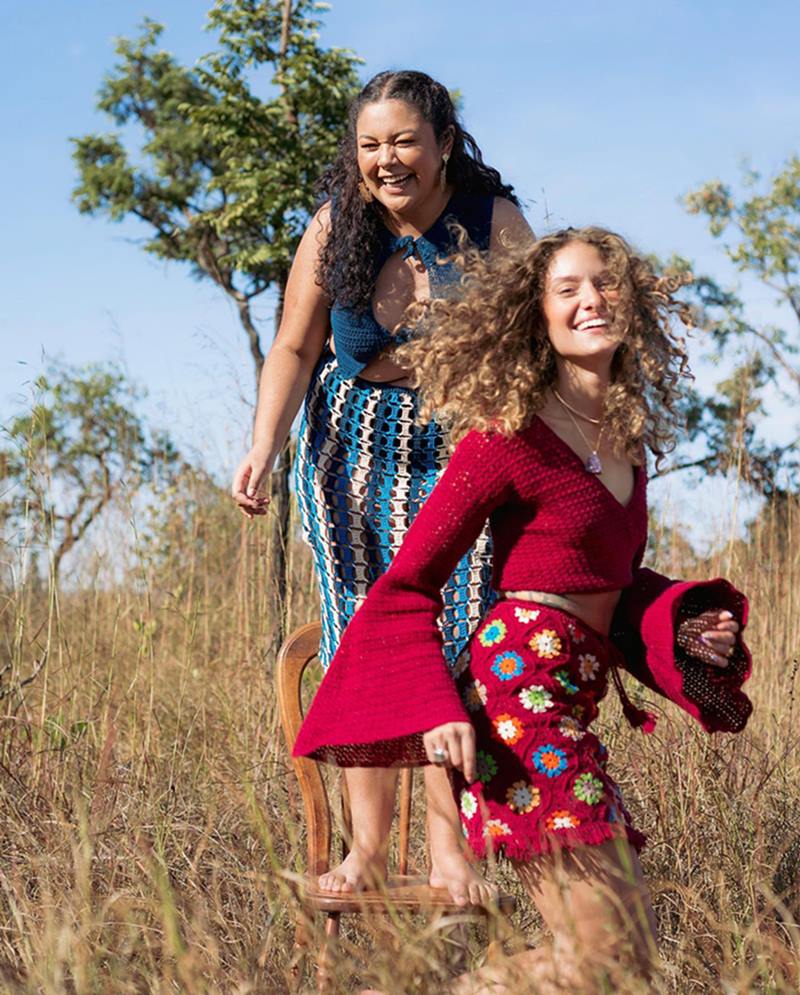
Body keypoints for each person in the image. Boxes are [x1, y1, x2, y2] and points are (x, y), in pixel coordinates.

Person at [293, 227, 753, 991]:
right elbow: (406, 582)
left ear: (632, 305)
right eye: (567, 289)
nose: (590, 299)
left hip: (569, 697)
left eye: (605, 284)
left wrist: (683, 623)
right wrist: (436, 704)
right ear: (536, 317)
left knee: (624, 953)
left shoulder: (628, 445)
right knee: (605, 952)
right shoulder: (506, 436)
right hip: (516, 695)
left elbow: (604, 580)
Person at [231, 69, 533, 904]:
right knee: (362, 637)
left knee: (461, 642)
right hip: (352, 451)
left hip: (464, 445)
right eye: (369, 145)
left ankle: (452, 858)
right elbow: (294, 348)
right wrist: (263, 446)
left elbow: (531, 352)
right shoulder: (336, 226)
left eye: (403, 141)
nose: (386, 160)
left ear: (443, 142)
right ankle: (365, 852)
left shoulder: (495, 222)